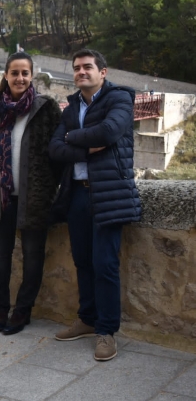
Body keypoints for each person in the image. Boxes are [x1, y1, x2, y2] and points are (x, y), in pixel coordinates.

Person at [49, 49, 141, 362]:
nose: (81, 72)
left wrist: (73, 137)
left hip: (108, 193)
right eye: (76, 68)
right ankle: (87, 319)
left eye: (88, 67)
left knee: (105, 263)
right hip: (76, 194)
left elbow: (110, 131)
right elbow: (55, 149)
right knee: (82, 260)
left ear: (103, 71)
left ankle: (106, 330)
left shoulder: (120, 98)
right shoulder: (71, 106)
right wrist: (86, 147)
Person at [0, 52, 61, 335]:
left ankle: (23, 310)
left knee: (33, 255)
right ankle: (1, 307)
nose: (20, 78)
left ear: (32, 75)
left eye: (25, 73)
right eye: (15, 73)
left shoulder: (45, 109)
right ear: (6, 75)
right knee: (0, 255)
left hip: (34, 199)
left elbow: (57, 153)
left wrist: (50, 187)